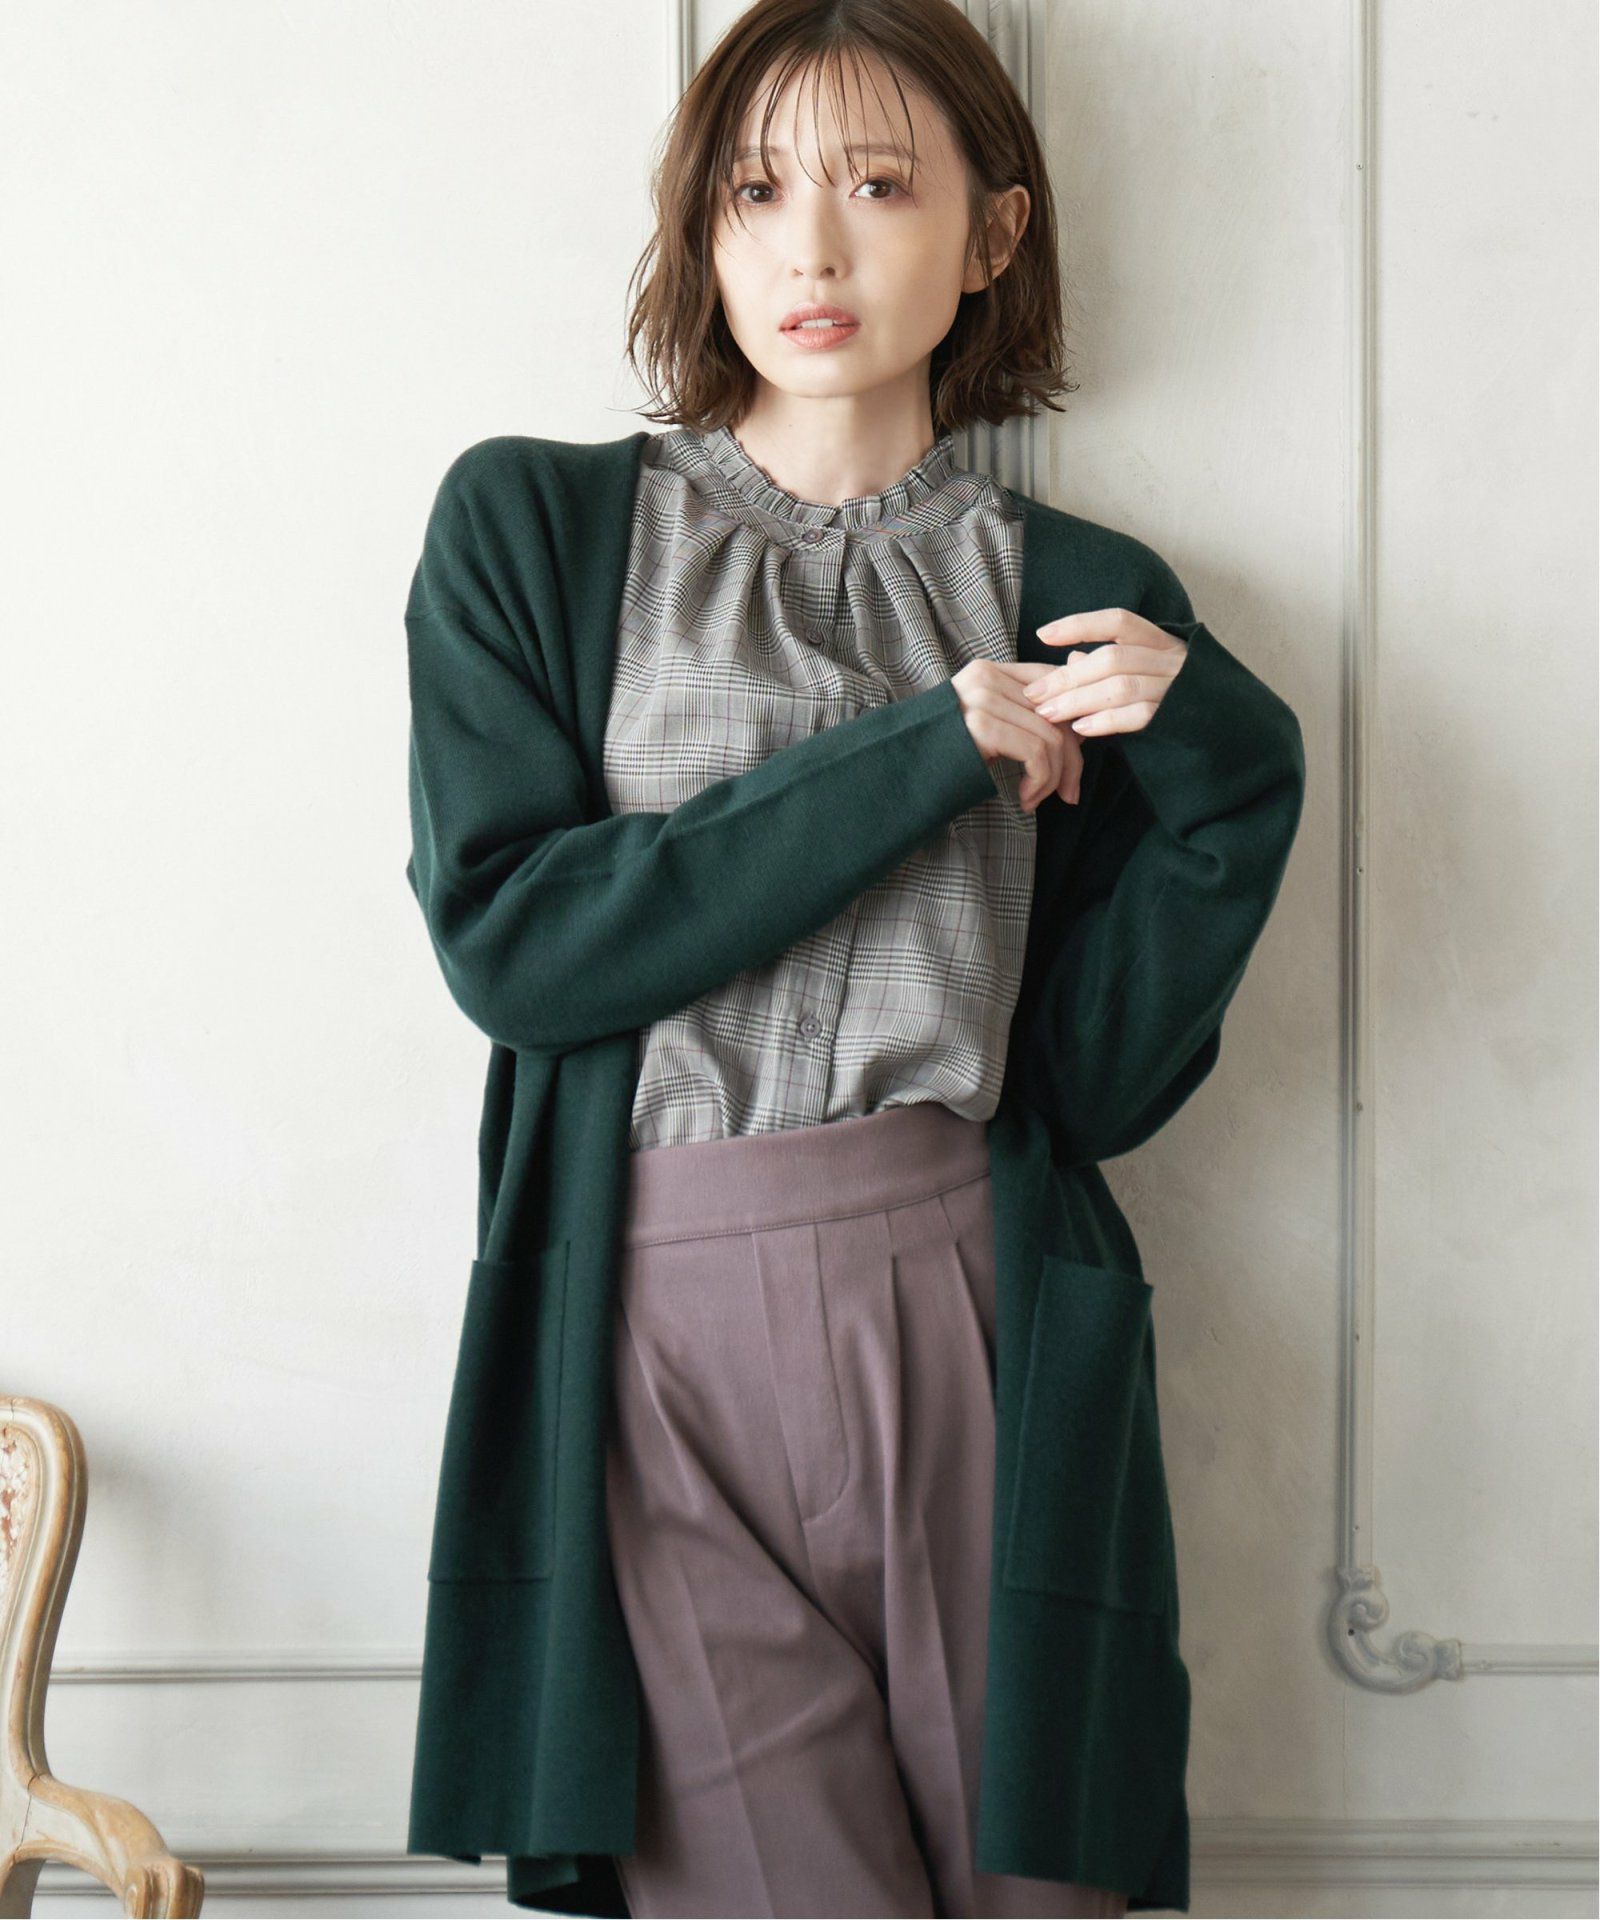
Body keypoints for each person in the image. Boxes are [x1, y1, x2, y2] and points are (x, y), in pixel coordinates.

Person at [402, 1, 1305, 1913]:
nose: (810, 247)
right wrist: (921, 752)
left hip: (970, 1296)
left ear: (993, 232)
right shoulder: (535, 528)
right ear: (701, 227)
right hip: (640, 1324)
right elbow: (520, 943)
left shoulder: (1085, 596)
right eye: (755, 191)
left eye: (880, 185)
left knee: (1027, 1887)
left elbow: (1094, 1087)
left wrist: (1235, 774)